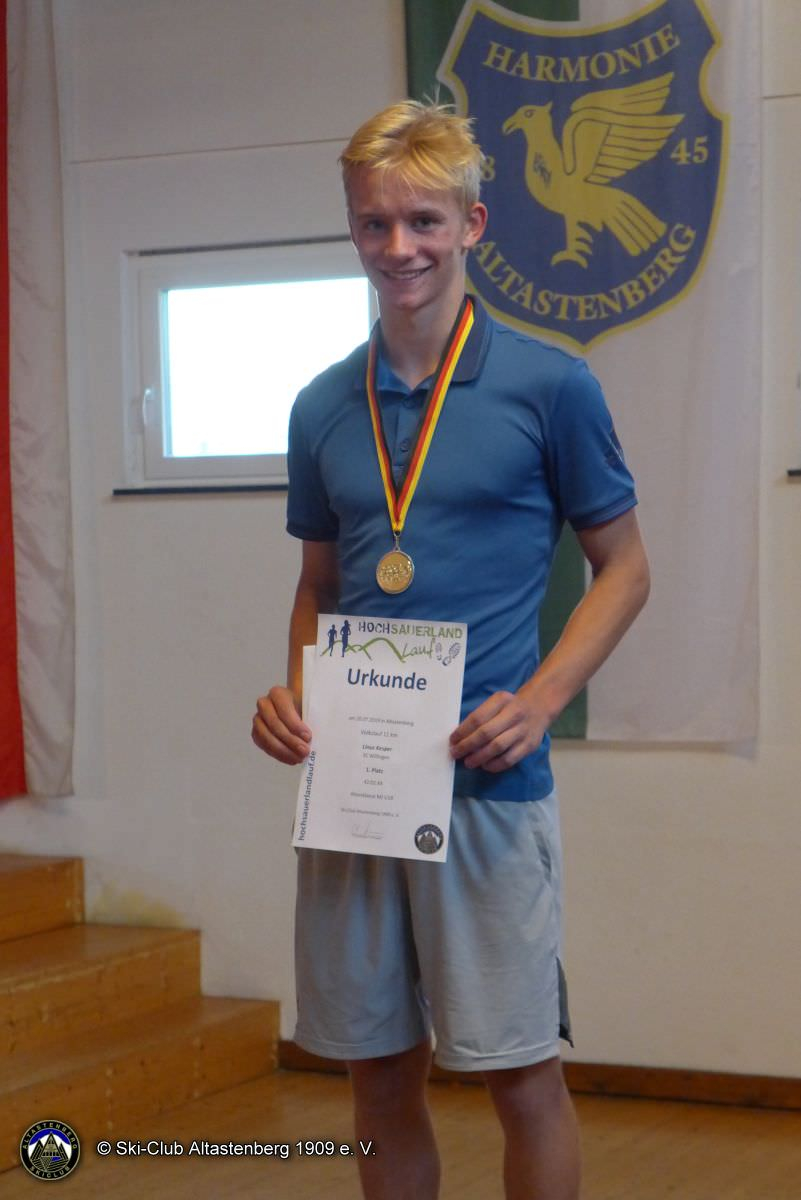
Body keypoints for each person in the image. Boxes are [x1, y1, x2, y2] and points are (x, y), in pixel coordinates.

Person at [251, 100, 650, 1200]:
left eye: (423, 221)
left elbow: (625, 568)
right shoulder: (321, 405)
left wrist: (541, 698)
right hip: (356, 792)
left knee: (519, 1076)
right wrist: (296, 694)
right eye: (373, 223)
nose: (399, 248)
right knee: (376, 1072)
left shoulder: (550, 385)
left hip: (486, 785)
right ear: (351, 227)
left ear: (472, 224)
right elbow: (319, 587)